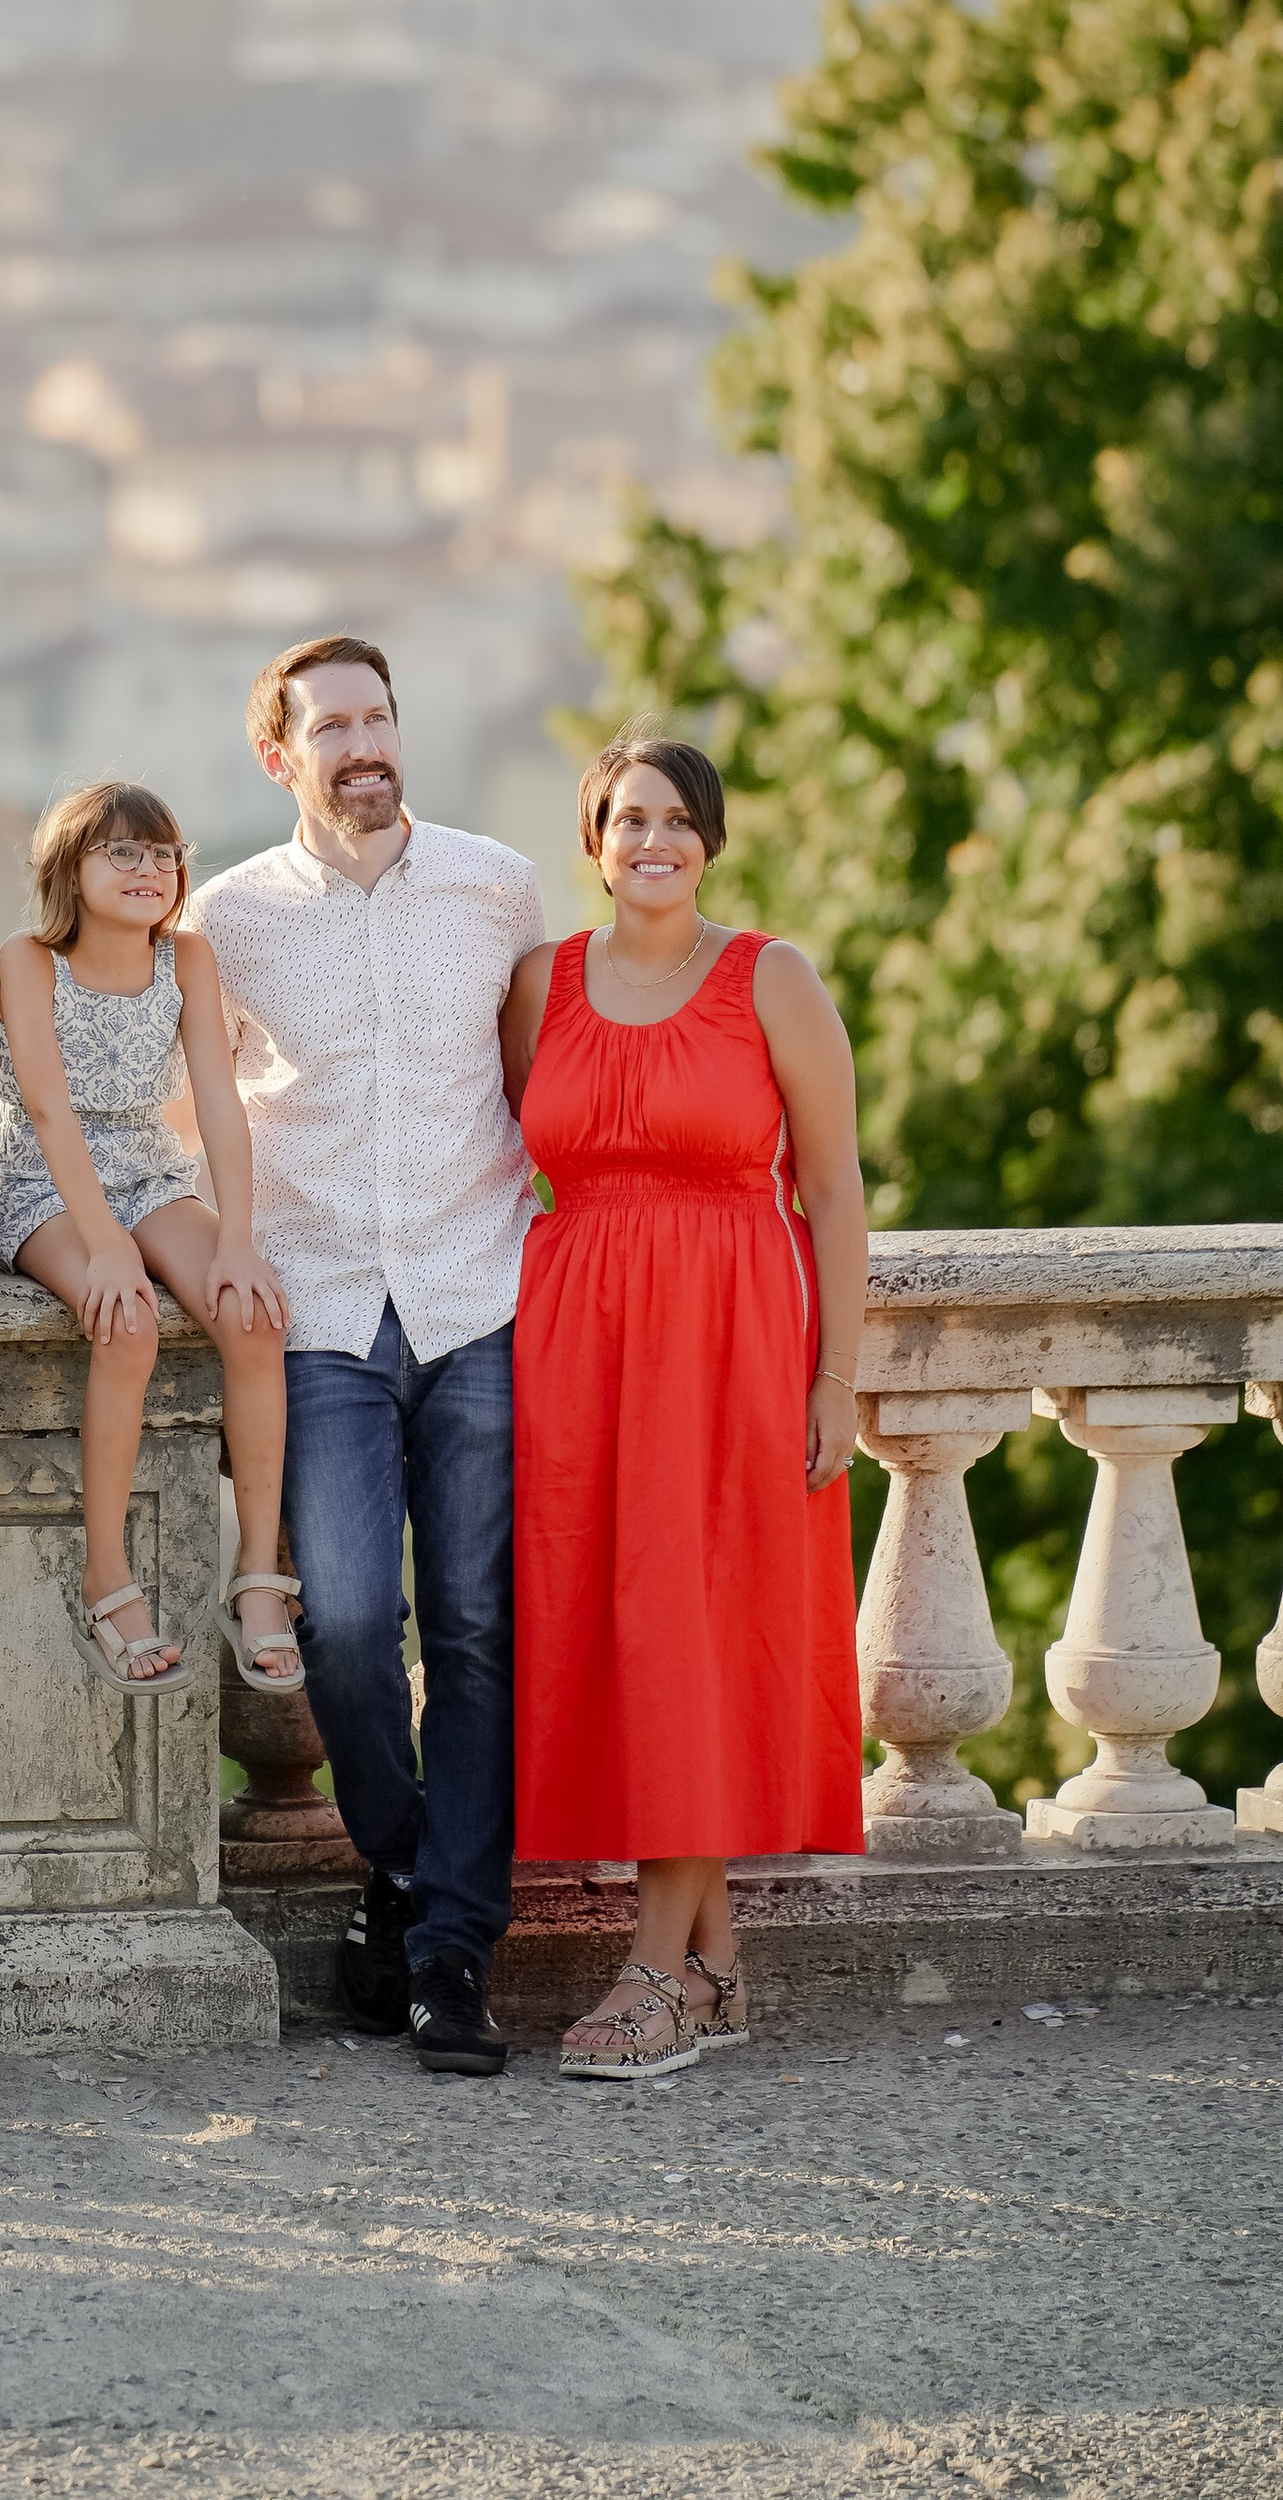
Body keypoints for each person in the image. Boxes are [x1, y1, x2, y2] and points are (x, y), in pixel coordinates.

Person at [189, 634, 543, 2078]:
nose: (366, 744)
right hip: (320, 1313)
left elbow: (539, 1078)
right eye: (331, 725)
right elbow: (166, 1111)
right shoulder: (223, 921)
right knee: (340, 1625)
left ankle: (448, 1941)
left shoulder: (497, 885)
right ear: (279, 756)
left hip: (478, 1297)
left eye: (381, 715)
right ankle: (404, 1868)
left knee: (473, 1630)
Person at [502, 725, 866, 2079]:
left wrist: (837, 1376)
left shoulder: (772, 978)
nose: (652, 840)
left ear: (710, 839)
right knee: (617, 1633)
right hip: (576, 1343)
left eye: (676, 819)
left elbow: (832, 1190)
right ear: (592, 845)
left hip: (730, 1343)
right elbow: (506, 1147)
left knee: (698, 1634)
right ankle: (713, 1967)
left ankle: (656, 1973)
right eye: (625, 819)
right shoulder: (543, 985)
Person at [0, 779, 299, 1697]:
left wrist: (235, 1236)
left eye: (162, 853)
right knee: (128, 1325)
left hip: (151, 1172)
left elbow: (219, 1105)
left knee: (254, 1319)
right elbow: (44, 1110)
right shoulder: (28, 961)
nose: (148, 868)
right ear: (69, 872)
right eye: (120, 852)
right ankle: (108, 1578)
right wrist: (104, 1245)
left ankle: (258, 1580)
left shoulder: (186, 959)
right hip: (44, 1182)